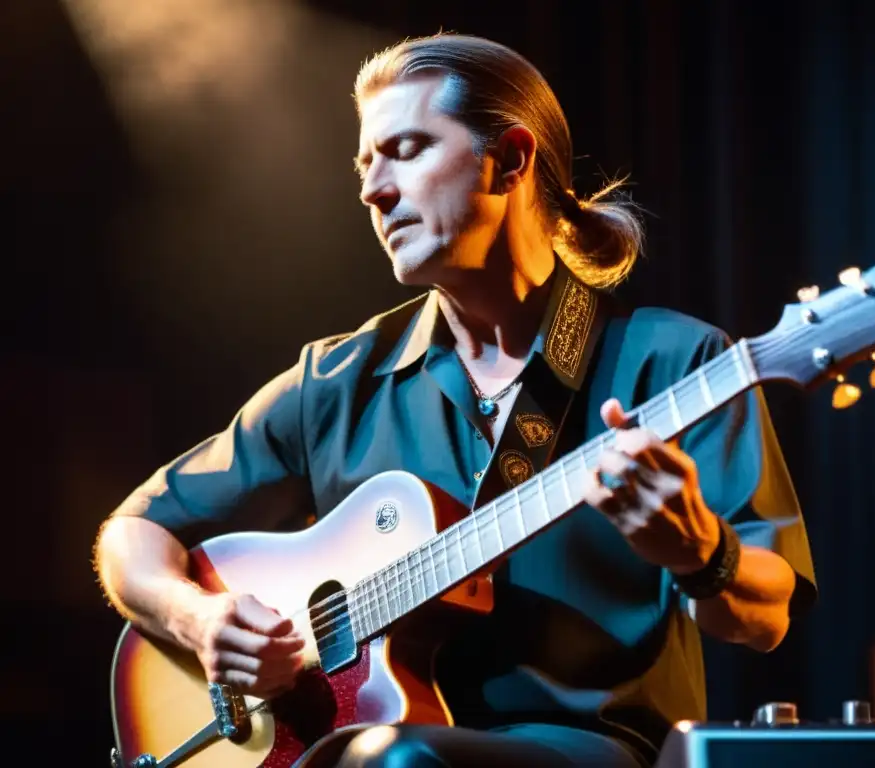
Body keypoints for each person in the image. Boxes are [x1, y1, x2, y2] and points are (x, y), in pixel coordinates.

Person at [94, 33, 816, 768]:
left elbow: (765, 618)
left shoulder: (676, 363)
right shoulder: (337, 383)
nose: (373, 191)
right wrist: (203, 620)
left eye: (405, 149)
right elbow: (132, 538)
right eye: (366, 163)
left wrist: (703, 554)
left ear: (511, 159)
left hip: (593, 751)